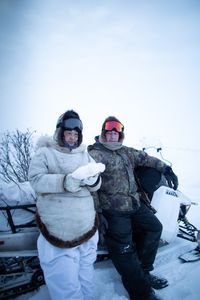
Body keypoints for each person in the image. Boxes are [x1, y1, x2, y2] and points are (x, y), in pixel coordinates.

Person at [88, 116, 178, 300]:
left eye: (116, 132)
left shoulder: (126, 151)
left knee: (154, 228)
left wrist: (166, 168)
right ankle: (142, 294)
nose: (113, 135)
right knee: (125, 250)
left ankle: (144, 272)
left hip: (135, 205)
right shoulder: (94, 155)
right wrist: (97, 213)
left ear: (120, 135)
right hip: (113, 211)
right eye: (109, 132)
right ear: (103, 133)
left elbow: (146, 158)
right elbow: (89, 186)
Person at [28, 110, 105, 300]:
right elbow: (36, 180)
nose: (72, 137)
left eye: (75, 134)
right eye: (68, 133)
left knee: (86, 276)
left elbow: (97, 184)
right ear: (60, 133)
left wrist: (93, 180)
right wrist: (65, 181)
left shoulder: (84, 154)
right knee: (65, 284)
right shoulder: (45, 152)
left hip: (87, 225)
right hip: (59, 229)